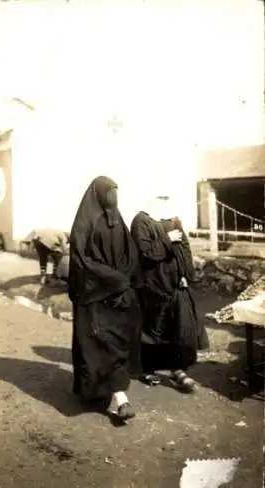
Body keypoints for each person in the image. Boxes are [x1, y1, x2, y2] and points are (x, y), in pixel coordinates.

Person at [68, 176, 141, 421]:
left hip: (118, 293)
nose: (113, 197)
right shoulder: (85, 223)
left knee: (117, 344)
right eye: (109, 192)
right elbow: (82, 260)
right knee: (98, 346)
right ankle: (116, 398)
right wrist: (112, 278)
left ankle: (118, 394)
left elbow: (131, 252)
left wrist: (125, 279)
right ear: (98, 194)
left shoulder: (118, 219)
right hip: (94, 294)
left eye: (116, 192)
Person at [130, 195, 209, 392]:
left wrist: (185, 274)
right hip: (153, 282)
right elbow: (146, 252)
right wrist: (167, 239)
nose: (163, 202)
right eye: (159, 198)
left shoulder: (173, 219)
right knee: (153, 327)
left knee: (178, 326)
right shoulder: (141, 220)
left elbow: (184, 248)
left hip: (175, 282)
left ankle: (176, 369)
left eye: (165, 198)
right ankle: (147, 368)